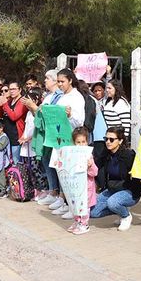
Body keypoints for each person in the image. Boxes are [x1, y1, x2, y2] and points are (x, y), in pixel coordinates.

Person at [46, 69, 87, 214]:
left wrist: (70, 115)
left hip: (70, 141)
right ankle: (64, 201)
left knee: (71, 176)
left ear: (70, 80)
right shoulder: (62, 97)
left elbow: (79, 122)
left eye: (62, 81)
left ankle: (73, 207)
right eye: (58, 81)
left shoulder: (77, 97)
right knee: (62, 173)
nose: (60, 84)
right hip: (59, 140)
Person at [91, 127, 141, 231]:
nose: (108, 142)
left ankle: (125, 216)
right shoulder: (106, 153)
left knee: (113, 203)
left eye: (111, 139)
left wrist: (135, 174)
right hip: (113, 189)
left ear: (120, 141)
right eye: (106, 139)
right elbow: (96, 166)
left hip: (129, 191)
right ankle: (120, 209)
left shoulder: (128, 155)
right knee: (93, 212)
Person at [59, 127, 98, 235]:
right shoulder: (71, 155)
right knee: (75, 205)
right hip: (75, 186)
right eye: (78, 142)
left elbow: (95, 173)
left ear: (87, 142)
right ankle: (77, 221)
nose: (81, 144)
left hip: (86, 188)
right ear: (74, 143)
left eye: (83, 142)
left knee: (84, 207)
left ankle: (84, 224)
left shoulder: (89, 156)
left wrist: (90, 165)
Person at [37, 70, 65, 206]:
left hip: (58, 134)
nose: (45, 81)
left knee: (56, 163)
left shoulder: (60, 96)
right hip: (48, 133)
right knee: (47, 160)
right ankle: (52, 190)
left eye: (47, 78)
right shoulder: (49, 95)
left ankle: (58, 193)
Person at [19, 87, 48, 198]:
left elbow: (38, 129)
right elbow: (27, 128)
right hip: (26, 146)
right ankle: (33, 189)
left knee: (36, 169)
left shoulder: (37, 113)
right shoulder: (28, 114)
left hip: (34, 146)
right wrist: (23, 137)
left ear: (35, 101)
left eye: (29, 100)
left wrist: (28, 139)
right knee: (28, 169)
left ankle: (43, 189)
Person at [0, 81, 27, 164]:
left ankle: (17, 176)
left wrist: (5, 103)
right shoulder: (9, 101)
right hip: (7, 133)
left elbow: (14, 117)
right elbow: (0, 115)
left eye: (14, 89)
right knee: (8, 159)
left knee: (16, 161)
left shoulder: (22, 101)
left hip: (16, 135)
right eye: (10, 89)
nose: (11, 91)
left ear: (20, 90)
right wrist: (0, 105)